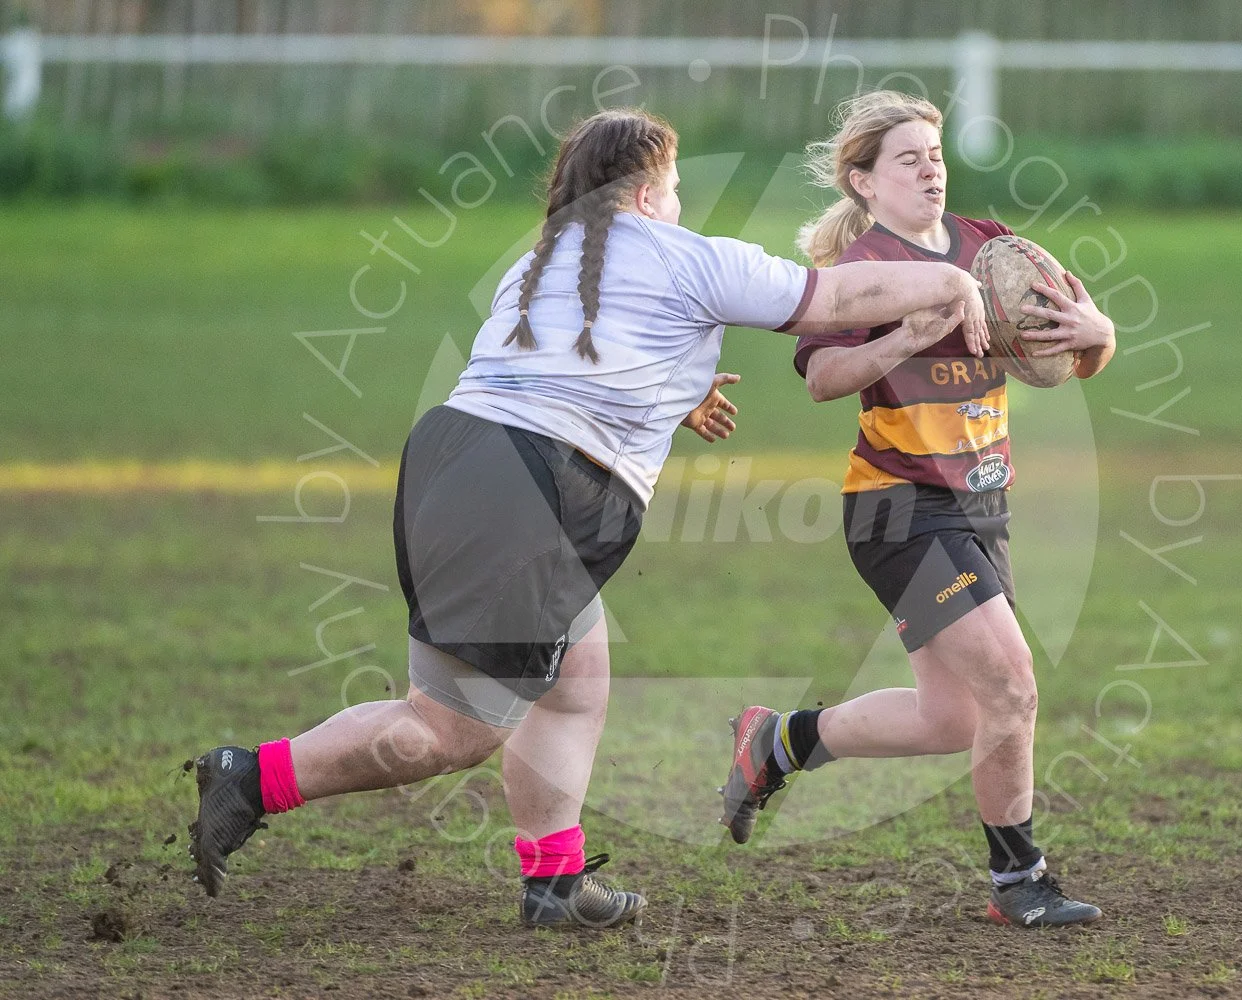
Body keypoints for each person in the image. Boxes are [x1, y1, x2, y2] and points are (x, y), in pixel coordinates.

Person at [188, 106, 994, 929]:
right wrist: (957, 281)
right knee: (451, 730)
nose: (679, 205)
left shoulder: (541, 261)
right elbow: (835, 297)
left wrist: (675, 398)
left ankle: (555, 885)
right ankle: (253, 778)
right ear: (646, 193)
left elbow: (571, 362)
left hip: (459, 456)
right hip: (538, 489)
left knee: (575, 684)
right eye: (674, 188)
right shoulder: (684, 254)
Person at [717, 91, 1116, 928]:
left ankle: (780, 742)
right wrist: (906, 331)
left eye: (935, 153)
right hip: (897, 507)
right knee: (1012, 685)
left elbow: (1075, 356)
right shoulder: (860, 274)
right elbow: (823, 379)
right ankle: (1020, 882)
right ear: (863, 182)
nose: (930, 167)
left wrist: (1096, 329)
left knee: (952, 717)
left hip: (980, 505)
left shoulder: (992, 248)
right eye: (908, 157)